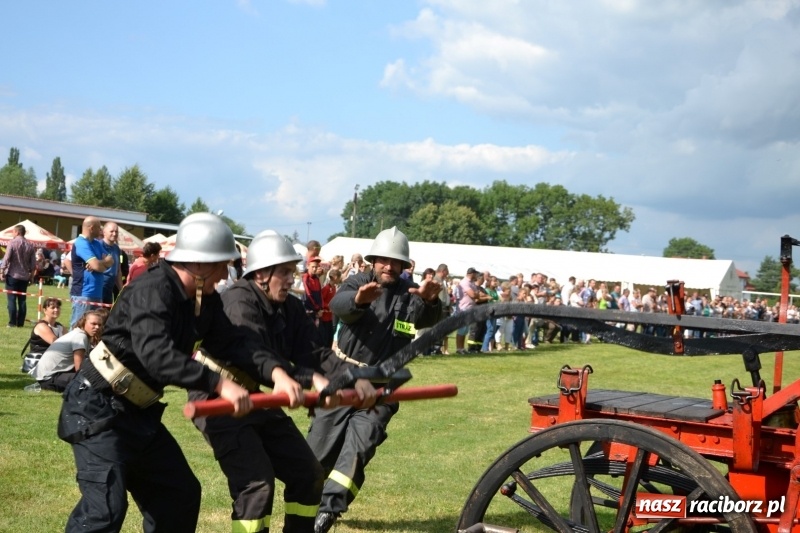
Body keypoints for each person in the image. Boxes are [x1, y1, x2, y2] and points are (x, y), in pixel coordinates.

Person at [57, 213, 254, 533]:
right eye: (221, 265)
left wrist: (290, 375)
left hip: (138, 414)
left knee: (178, 495)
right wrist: (218, 383)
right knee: (104, 512)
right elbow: (157, 356)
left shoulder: (205, 300)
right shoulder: (152, 289)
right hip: (96, 407)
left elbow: (236, 347)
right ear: (200, 264)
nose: (224, 274)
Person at [191, 233, 374, 533]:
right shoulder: (238, 300)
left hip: (254, 395)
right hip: (217, 398)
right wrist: (308, 379)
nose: (292, 279)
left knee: (308, 473)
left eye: (293, 271)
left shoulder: (288, 306)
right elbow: (255, 355)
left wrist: (353, 377)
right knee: (257, 484)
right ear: (262, 274)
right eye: (285, 272)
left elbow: (313, 352)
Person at [307, 226, 443, 533]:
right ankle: (307, 501)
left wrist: (431, 303)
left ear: (404, 265)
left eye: (395, 261)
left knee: (359, 447)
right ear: (373, 260)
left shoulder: (412, 293)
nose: (388, 266)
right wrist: (358, 299)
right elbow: (338, 306)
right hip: (343, 378)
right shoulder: (358, 281)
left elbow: (429, 318)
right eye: (383, 260)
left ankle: (329, 511)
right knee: (317, 453)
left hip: (382, 388)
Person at [31, 310, 105, 392]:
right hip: (49, 379)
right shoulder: (80, 337)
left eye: (99, 325)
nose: (97, 327)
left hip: (47, 376)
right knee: (93, 381)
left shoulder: (78, 333)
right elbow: (79, 368)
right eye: (93, 324)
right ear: (84, 322)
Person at [69, 216, 113, 327]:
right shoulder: (81, 243)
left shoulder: (97, 243)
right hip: (83, 293)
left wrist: (100, 263)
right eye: (99, 228)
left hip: (97, 293)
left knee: (95, 327)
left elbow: (111, 261)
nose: (101, 231)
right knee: (78, 327)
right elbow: (98, 267)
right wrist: (102, 264)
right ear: (92, 228)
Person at [1, 224, 37, 327]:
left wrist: (1, 271)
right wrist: (31, 276)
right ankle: (20, 323)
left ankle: (12, 322)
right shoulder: (30, 245)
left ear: (17, 232)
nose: (12, 234)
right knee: (22, 300)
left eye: (13, 232)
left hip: (12, 275)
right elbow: (33, 264)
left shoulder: (12, 243)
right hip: (24, 277)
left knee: (11, 299)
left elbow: (6, 258)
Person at [22, 297, 66, 373]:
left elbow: (71, 340)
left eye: (58, 307)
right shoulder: (41, 326)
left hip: (53, 359)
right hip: (40, 361)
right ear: (45, 310)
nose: (56, 310)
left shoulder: (59, 326)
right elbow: (56, 344)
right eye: (53, 308)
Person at [100, 222, 123, 305]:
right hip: (98, 288)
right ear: (104, 232)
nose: (114, 234)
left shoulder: (117, 249)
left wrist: (121, 290)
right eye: (112, 231)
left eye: (116, 232)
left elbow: (118, 271)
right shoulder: (98, 245)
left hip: (110, 289)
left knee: (106, 315)